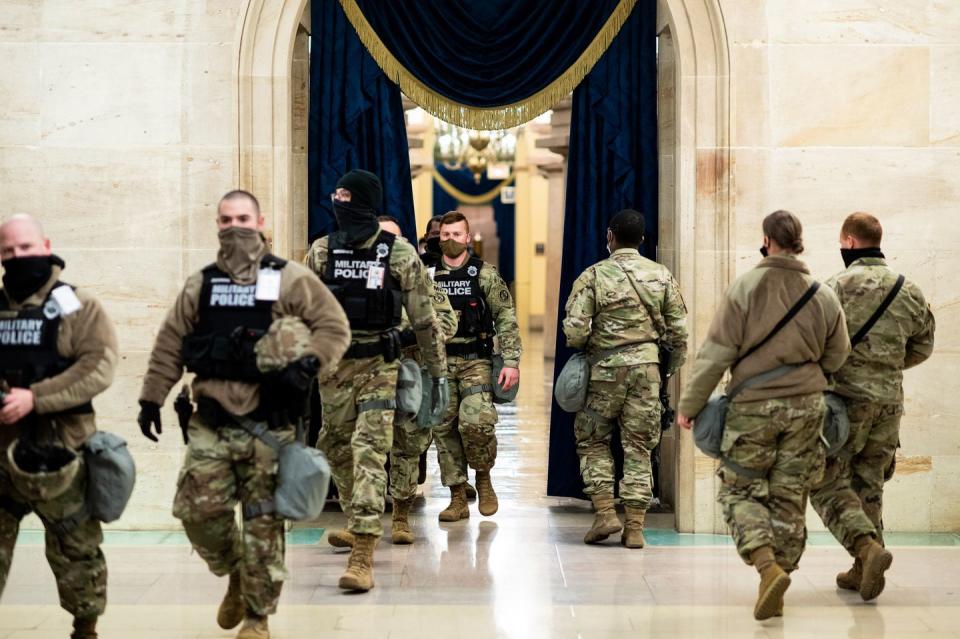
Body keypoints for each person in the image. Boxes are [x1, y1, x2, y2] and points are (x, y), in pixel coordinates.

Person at [138, 190, 350, 639]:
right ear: (218, 224)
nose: (235, 226)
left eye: (243, 218)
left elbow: (334, 326)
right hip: (212, 423)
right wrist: (151, 398)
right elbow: (170, 343)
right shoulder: (202, 284)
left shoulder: (290, 278)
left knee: (264, 525)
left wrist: (310, 363)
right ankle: (234, 570)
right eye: (227, 218)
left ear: (260, 221)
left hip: (270, 426)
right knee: (198, 513)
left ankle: (258, 617)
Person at [677, 210, 850, 620]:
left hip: (752, 408)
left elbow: (716, 353)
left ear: (767, 240)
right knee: (790, 495)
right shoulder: (821, 293)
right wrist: (807, 374)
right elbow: (839, 353)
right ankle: (779, 578)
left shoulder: (746, 287)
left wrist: (690, 406)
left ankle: (766, 565)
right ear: (798, 241)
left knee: (739, 491)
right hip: (808, 408)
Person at [305, 170, 448, 591]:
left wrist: (437, 373)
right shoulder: (321, 251)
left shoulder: (399, 253)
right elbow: (302, 312)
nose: (337, 198)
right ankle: (357, 519)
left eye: (346, 194)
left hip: (379, 367)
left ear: (363, 200)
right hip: (333, 368)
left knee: (369, 449)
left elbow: (424, 319)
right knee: (332, 444)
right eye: (337, 191)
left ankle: (363, 552)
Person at [0, 214, 118, 639]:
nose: (18, 258)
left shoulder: (78, 305)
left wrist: (37, 398)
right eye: (8, 252)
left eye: (26, 248)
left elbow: (99, 366)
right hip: (3, 451)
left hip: (63, 450)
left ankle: (85, 628)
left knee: (76, 549)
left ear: (45, 245)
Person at [810, 212, 935, 601]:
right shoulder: (909, 289)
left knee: (823, 478)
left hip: (844, 404)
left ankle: (865, 550)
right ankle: (863, 567)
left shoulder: (834, 287)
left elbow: (813, 343)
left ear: (848, 241)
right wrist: (884, 368)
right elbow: (923, 346)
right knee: (870, 483)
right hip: (889, 402)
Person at [562, 209, 688, 548]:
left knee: (592, 440)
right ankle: (634, 527)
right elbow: (679, 332)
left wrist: (590, 345)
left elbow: (574, 330)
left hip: (604, 371)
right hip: (647, 371)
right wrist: (666, 368)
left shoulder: (593, 275)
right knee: (639, 447)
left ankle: (605, 513)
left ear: (609, 237)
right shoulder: (661, 276)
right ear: (643, 240)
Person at [426, 211, 521, 521]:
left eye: (456, 235)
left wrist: (511, 361)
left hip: (475, 360)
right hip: (439, 364)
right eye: (445, 235)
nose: (450, 240)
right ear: (438, 238)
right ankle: (456, 495)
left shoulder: (484, 275)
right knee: (444, 429)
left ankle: (483, 476)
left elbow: (506, 317)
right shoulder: (427, 275)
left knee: (476, 422)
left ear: (468, 238)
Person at [376, 216, 458, 544]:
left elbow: (449, 323)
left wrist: (414, 333)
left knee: (407, 447)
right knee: (362, 448)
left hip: (411, 374)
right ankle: (359, 522)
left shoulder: (420, 281)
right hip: (368, 374)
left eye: (393, 239)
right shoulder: (359, 280)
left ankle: (400, 516)